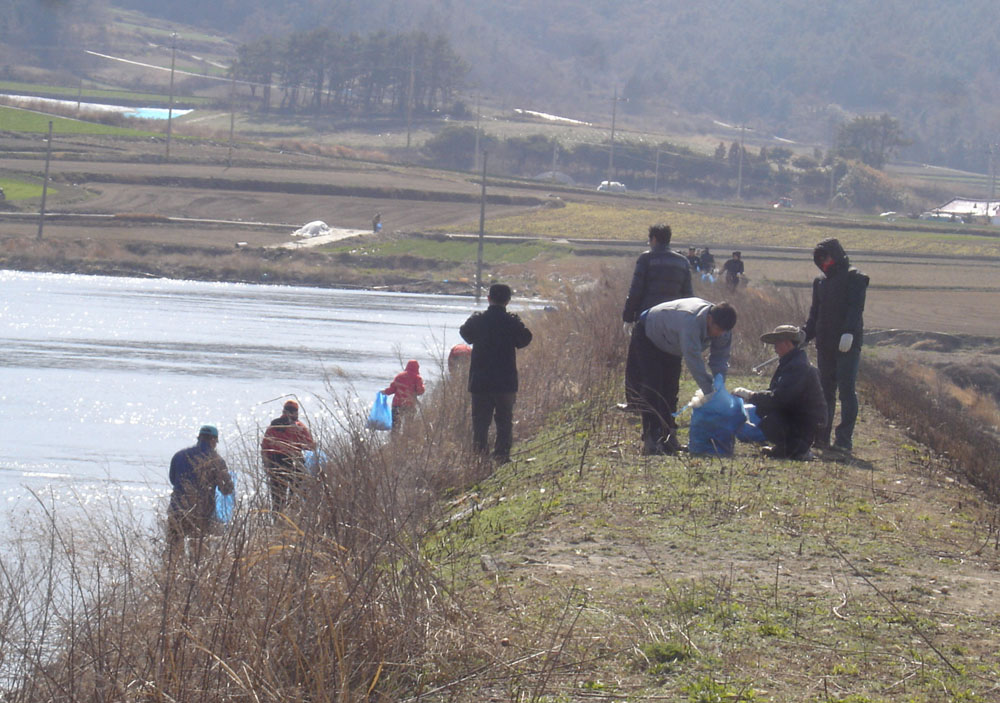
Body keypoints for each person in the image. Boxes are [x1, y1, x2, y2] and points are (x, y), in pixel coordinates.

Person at [633, 298, 737, 455]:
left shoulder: (723, 331)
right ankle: (652, 438)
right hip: (649, 334)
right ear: (709, 319)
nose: (719, 334)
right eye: (717, 329)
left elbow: (720, 359)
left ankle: (668, 438)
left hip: (672, 344)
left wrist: (719, 386)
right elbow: (693, 359)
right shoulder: (691, 321)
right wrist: (710, 392)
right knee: (654, 387)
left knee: (670, 389)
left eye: (723, 331)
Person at [803, 238, 869, 453]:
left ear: (837, 255)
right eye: (821, 259)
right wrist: (805, 334)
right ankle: (822, 436)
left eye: (827, 257)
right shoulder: (820, 282)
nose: (825, 262)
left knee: (847, 391)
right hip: (825, 343)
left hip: (847, 344)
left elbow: (855, 308)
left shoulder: (855, 278)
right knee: (826, 391)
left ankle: (844, 440)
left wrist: (849, 332)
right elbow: (815, 314)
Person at [621, 224, 693, 409]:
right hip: (673, 322)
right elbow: (688, 296)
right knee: (670, 363)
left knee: (638, 362)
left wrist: (628, 316)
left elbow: (635, 290)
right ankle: (667, 404)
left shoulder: (646, 258)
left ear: (653, 239)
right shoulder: (683, 262)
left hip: (647, 319)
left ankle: (636, 403)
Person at [459, 283, 533, 464]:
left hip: (480, 381)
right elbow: (525, 338)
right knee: (504, 420)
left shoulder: (478, 320)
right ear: (508, 301)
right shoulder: (511, 321)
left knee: (480, 423)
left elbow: (465, 333)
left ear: (488, 299)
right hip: (505, 381)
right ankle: (501, 456)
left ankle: (479, 460)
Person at [733, 325, 827, 460]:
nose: (775, 348)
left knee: (771, 422)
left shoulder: (797, 367)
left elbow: (779, 399)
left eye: (777, 343)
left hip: (806, 424)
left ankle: (796, 448)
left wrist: (751, 396)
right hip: (800, 419)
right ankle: (785, 447)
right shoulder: (791, 363)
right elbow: (776, 393)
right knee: (765, 414)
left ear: (788, 344)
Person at [167, 425, 234, 560]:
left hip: (177, 509)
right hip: (201, 513)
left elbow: (173, 480)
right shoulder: (216, 460)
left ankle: (170, 577)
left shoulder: (179, 455)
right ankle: (194, 579)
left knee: (173, 551)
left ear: (199, 438)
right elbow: (226, 489)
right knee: (198, 553)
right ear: (213, 441)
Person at [261, 399, 316, 512]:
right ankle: (292, 520)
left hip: (275, 464)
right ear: (296, 412)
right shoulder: (299, 427)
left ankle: (277, 522)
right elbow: (310, 447)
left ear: (283, 411)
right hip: (294, 464)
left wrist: (267, 466)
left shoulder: (272, 427)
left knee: (277, 501)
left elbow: (264, 448)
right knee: (295, 498)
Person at [383, 359, 425, 431]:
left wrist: (384, 392)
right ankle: (405, 440)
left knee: (395, 427)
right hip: (409, 405)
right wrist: (423, 387)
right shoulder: (417, 378)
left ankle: (394, 440)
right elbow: (420, 391)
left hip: (397, 405)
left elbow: (392, 389)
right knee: (408, 427)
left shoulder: (399, 376)